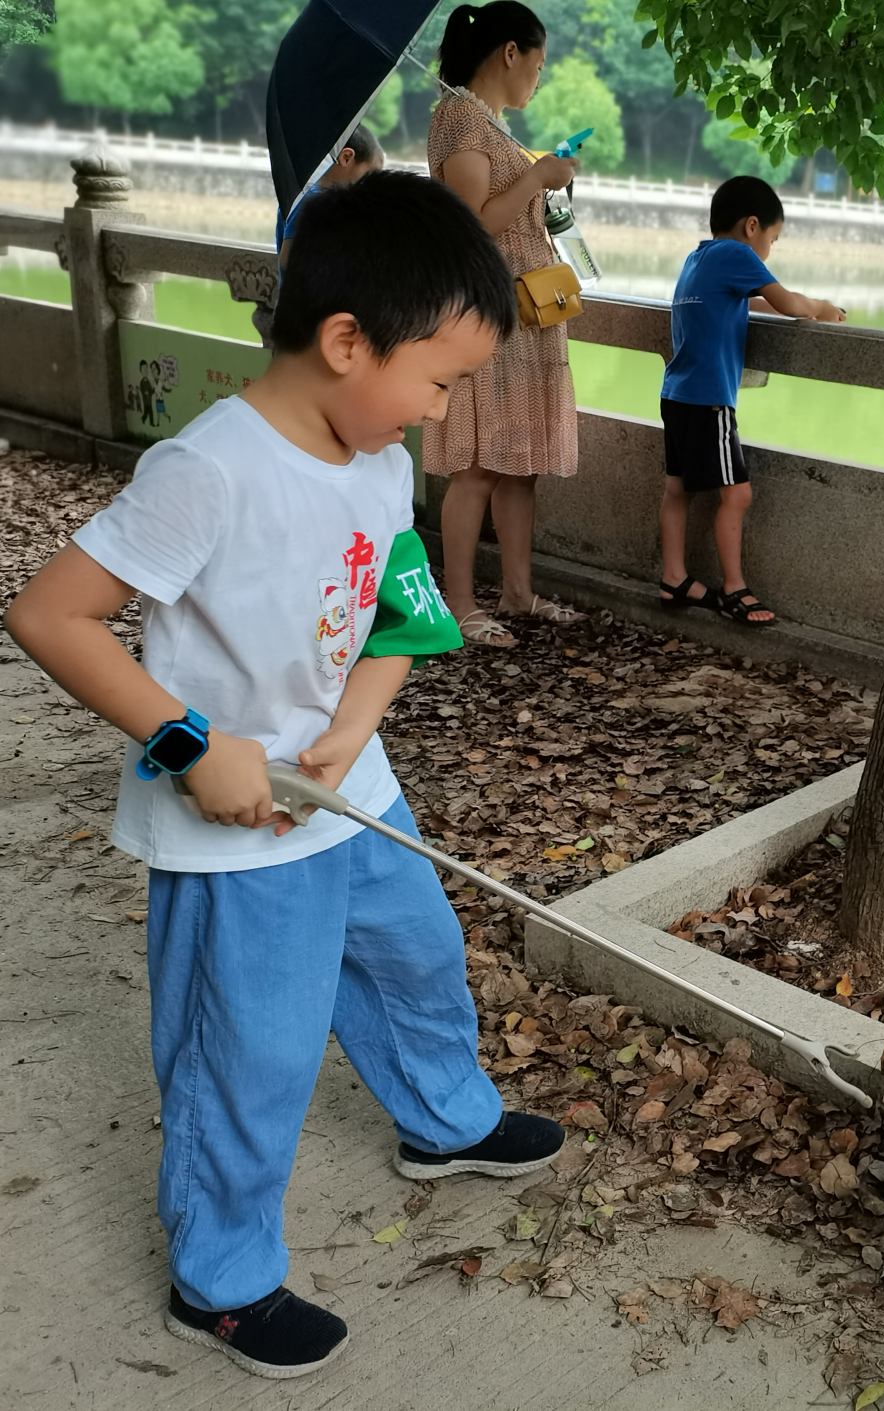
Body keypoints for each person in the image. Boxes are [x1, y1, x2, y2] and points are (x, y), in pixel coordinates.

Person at [4, 172, 567, 1380]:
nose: (439, 413)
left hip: (350, 795)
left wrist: (358, 721)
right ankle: (220, 1276)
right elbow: (51, 615)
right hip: (238, 834)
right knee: (243, 1050)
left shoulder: (371, 453)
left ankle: (445, 1120)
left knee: (419, 957)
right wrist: (192, 746)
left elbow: (401, 612)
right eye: (439, 381)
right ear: (345, 340)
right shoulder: (210, 470)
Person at [428, 0, 583, 647]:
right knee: (477, 465)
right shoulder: (460, 117)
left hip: (527, 312)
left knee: (520, 462)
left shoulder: (490, 124)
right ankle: (459, 603)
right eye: (538, 63)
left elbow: (509, 210)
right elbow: (469, 224)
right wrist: (538, 176)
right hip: (488, 310)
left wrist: (545, 186)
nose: (537, 78)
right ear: (509, 53)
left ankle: (518, 592)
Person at [658, 174, 846, 626]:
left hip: (676, 393)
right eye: (773, 239)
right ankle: (735, 588)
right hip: (710, 400)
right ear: (752, 226)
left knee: (677, 490)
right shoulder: (738, 255)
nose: (769, 249)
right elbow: (789, 305)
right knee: (737, 495)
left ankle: (674, 577)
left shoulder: (700, 257)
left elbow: (738, 304)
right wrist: (823, 308)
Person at [276, 124, 384, 266]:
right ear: (346, 157)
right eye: (368, 175)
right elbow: (289, 258)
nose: (368, 186)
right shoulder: (311, 197)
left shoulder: (308, 192)